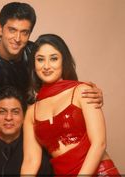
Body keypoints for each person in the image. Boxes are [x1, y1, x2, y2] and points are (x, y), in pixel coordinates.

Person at [20, 34, 120, 176]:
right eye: (40, 59)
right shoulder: (31, 112)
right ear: (34, 65)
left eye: (54, 58)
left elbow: (99, 143)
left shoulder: (82, 91)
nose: (46, 66)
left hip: (99, 172)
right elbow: (30, 161)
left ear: (63, 61)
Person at [0, 2, 103, 107]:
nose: (17, 38)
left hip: (39, 119)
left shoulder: (36, 52)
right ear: (0, 28)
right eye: (12, 30)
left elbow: (65, 87)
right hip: (3, 128)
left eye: (24, 32)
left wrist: (87, 94)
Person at [0, 86, 53, 176]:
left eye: (15, 112)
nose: (8, 117)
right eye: (2, 111)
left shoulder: (38, 151)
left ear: (24, 117)